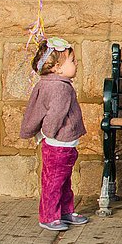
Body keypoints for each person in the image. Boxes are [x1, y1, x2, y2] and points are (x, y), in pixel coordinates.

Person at [20, 37, 88, 232]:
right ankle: (49, 215)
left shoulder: (52, 83)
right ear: (57, 67)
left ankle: (65, 211)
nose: (76, 64)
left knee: (64, 181)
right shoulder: (60, 88)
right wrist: (50, 134)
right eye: (72, 61)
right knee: (54, 182)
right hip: (59, 145)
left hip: (64, 145)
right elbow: (54, 115)